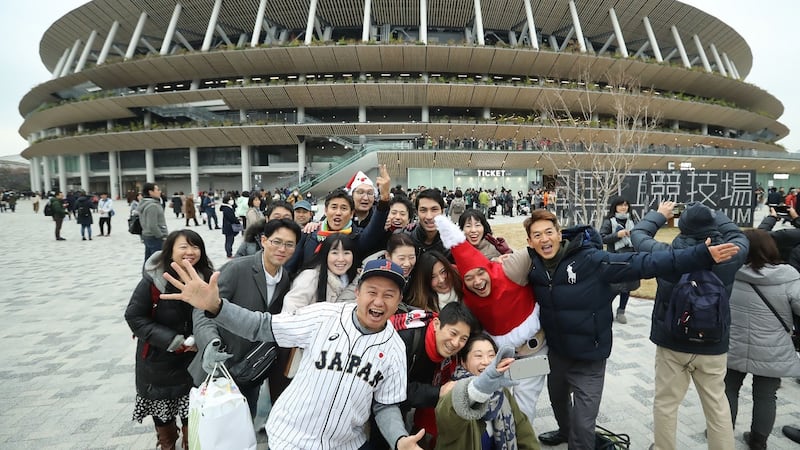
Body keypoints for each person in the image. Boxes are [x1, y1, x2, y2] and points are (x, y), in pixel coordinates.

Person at [526, 207, 742, 449]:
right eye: (537, 235)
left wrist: (701, 255)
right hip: (556, 354)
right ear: (530, 241)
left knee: (583, 423)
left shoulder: (590, 260)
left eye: (549, 232)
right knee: (558, 403)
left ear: (559, 233)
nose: (544, 239)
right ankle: (564, 432)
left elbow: (646, 262)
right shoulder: (533, 266)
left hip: (589, 356)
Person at [162, 258, 426, 450]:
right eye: (372, 292)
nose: (379, 302)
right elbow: (261, 326)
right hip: (290, 437)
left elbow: (385, 404)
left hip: (345, 444)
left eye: (389, 295)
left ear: (398, 300)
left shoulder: (394, 348)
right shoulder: (324, 315)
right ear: (357, 292)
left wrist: (399, 439)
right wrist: (217, 307)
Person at [631, 201, 748, 450]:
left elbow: (638, 234)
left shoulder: (666, 255)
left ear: (681, 228)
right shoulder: (731, 253)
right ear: (713, 225)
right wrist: (716, 213)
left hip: (672, 342)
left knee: (666, 403)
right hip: (713, 344)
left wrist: (660, 215)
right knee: (717, 405)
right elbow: (738, 234)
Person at [435, 214, 546, 424]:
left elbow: (539, 250)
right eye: (469, 278)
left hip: (534, 349)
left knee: (524, 404)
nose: (477, 282)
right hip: (500, 356)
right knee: (499, 402)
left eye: (480, 274)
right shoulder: (466, 298)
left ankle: (522, 443)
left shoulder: (511, 267)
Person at [189, 219, 301, 417]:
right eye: (276, 242)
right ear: (264, 240)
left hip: (251, 373)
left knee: (244, 427)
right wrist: (209, 343)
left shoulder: (287, 279)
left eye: (289, 244)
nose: (282, 249)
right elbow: (204, 309)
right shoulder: (237, 269)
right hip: (218, 368)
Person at [125, 229, 214, 450]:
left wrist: (203, 340)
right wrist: (173, 341)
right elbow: (134, 316)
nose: (190, 252)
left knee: (193, 421)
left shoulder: (208, 278)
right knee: (164, 422)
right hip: (159, 363)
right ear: (170, 251)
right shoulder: (153, 280)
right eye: (183, 247)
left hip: (194, 364)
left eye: (195, 247)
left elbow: (216, 314)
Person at [724, 229, 800, 450]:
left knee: (728, 389)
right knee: (766, 396)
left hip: (733, 343)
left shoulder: (730, 272)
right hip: (772, 349)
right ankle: (759, 441)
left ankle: (723, 433)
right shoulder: (788, 276)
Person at [370, 302, 480, 449]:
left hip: (404, 409)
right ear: (436, 324)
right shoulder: (404, 338)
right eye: (453, 333)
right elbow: (390, 389)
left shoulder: (450, 358)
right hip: (372, 406)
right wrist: (438, 392)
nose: (455, 343)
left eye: (463, 338)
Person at [434, 335, 540, 450]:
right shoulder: (452, 392)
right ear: (463, 362)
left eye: (491, 355)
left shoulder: (501, 390)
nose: (486, 362)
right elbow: (447, 422)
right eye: (478, 356)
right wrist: (478, 389)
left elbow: (523, 430)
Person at [281, 234, 358, 314]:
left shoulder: (354, 280)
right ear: (325, 254)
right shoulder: (310, 277)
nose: (341, 259)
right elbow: (290, 311)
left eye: (346, 253)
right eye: (335, 253)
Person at [598, 196, 640, 323]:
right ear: (615, 207)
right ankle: (604, 311)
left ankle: (621, 311)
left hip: (631, 256)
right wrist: (617, 235)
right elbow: (602, 238)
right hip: (615, 258)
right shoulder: (609, 221)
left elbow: (640, 235)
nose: (623, 207)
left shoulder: (633, 220)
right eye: (621, 205)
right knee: (612, 287)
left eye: (626, 205)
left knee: (627, 287)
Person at [138, 183, 169, 261]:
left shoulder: (145, 203)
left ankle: (146, 273)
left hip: (147, 235)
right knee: (157, 261)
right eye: (157, 190)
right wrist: (161, 236)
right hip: (155, 237)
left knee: (149, 260)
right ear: (150, 192)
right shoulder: (152, 206)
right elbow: (152, 225)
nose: (160, 191)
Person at [219, 194, 241, 259]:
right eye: (230, 199)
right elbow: (231, 218)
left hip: (228, 226)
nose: (232, 200)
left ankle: (229, 253)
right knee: (229, 241)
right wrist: (237, 220)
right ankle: (229, 254)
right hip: (229, 227)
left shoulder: (229, 207)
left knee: (229, 240)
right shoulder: (226, 208)